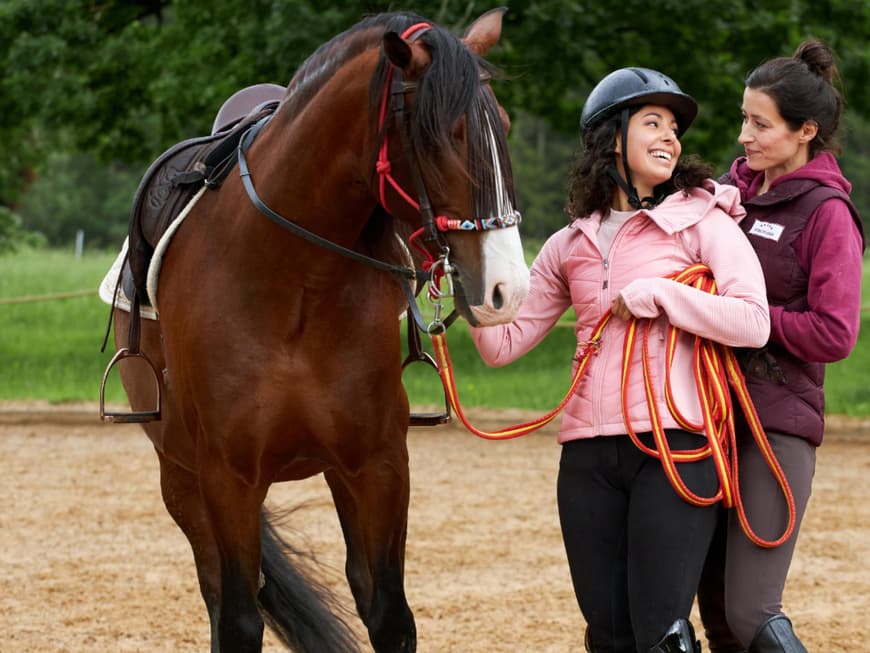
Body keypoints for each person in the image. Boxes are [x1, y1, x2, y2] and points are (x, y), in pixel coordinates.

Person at [470, 67, 770, 652]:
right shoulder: (567, 244)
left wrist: (666, 295)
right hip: (586, 456)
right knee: (608, 634)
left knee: (662, 634)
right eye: (652, 122)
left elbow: (753, 321)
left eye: (674, 127)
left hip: (676, 449)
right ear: (613, 138)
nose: (671, 137)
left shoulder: (702, 220)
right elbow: (501, 346)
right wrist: (463, 291)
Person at [696, 40, 865, 653]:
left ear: (804, 132)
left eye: (760, 123)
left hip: (776, 426)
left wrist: (745, 318)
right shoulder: (725, 195)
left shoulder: (828, 215)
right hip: (707, 415)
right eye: (744, 118)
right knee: (713, 614)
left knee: (748, 611)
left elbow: (835, 332)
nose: (744, 135)